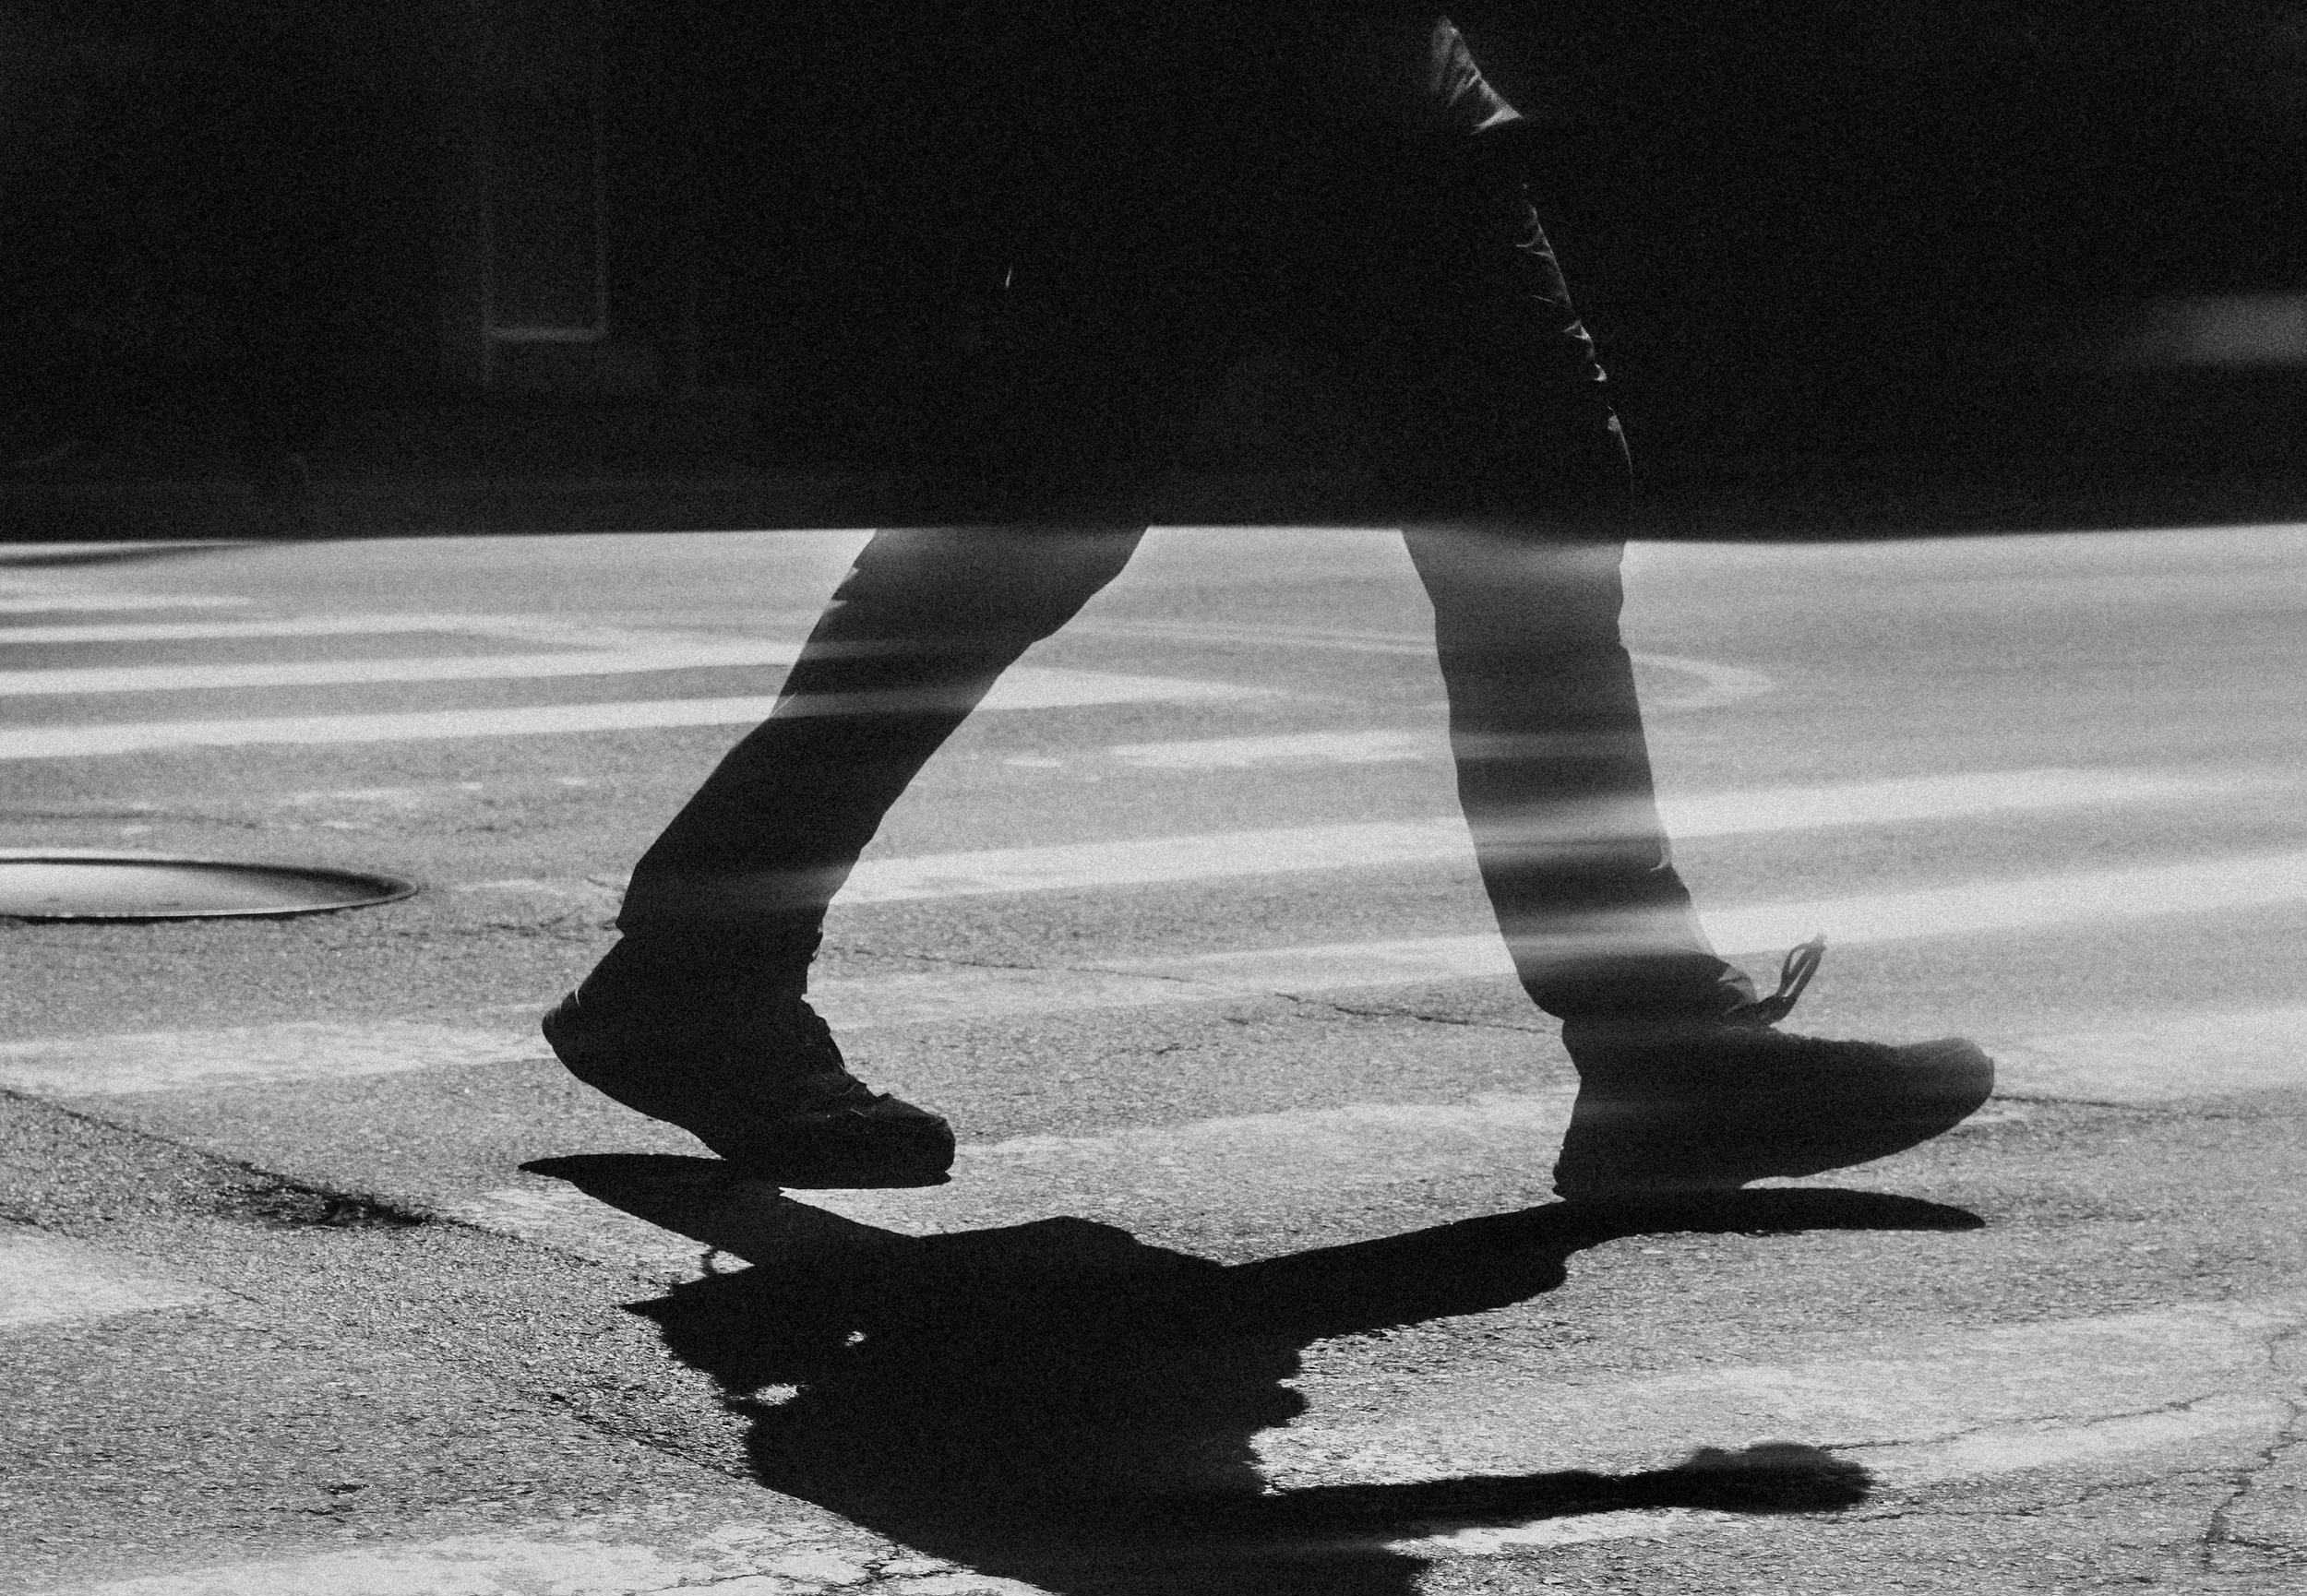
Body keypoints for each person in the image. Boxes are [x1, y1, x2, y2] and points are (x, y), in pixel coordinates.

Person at [544, 6, 1991, 1208]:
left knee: (1522, 518)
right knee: (1022, 540)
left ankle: (1662, 1044)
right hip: (1170, 86)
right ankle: (696, 973)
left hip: (1381, 104)